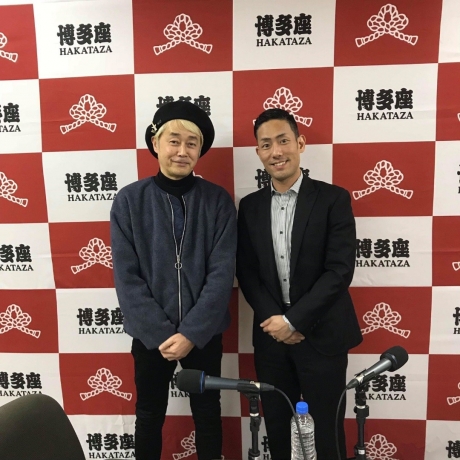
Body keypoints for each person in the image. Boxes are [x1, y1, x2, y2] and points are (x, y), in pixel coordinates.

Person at [110, 101, 237, 460]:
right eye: (174, 141)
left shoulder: (217, 201)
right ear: (155, 143)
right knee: (149, 415)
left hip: (204, 333)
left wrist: (192, 333)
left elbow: (222, 273)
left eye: (192, 143)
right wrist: (161, 333)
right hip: (151, 335)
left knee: (208, 413)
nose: (182, 151)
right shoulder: (129, 201)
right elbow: (126, 277)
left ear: (200, 150)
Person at [236, 108, 362, 460]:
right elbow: (247, 272)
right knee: (277, 430)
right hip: (272, 339)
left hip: (323, 335)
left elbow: (339, 271)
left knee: (328, 434)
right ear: (258, 152)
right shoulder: (249, 207)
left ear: (300, 143)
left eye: (283, 141)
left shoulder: (333, 199)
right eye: (266, 145)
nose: (276, 152)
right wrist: (277, 323)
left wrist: (294, 322)